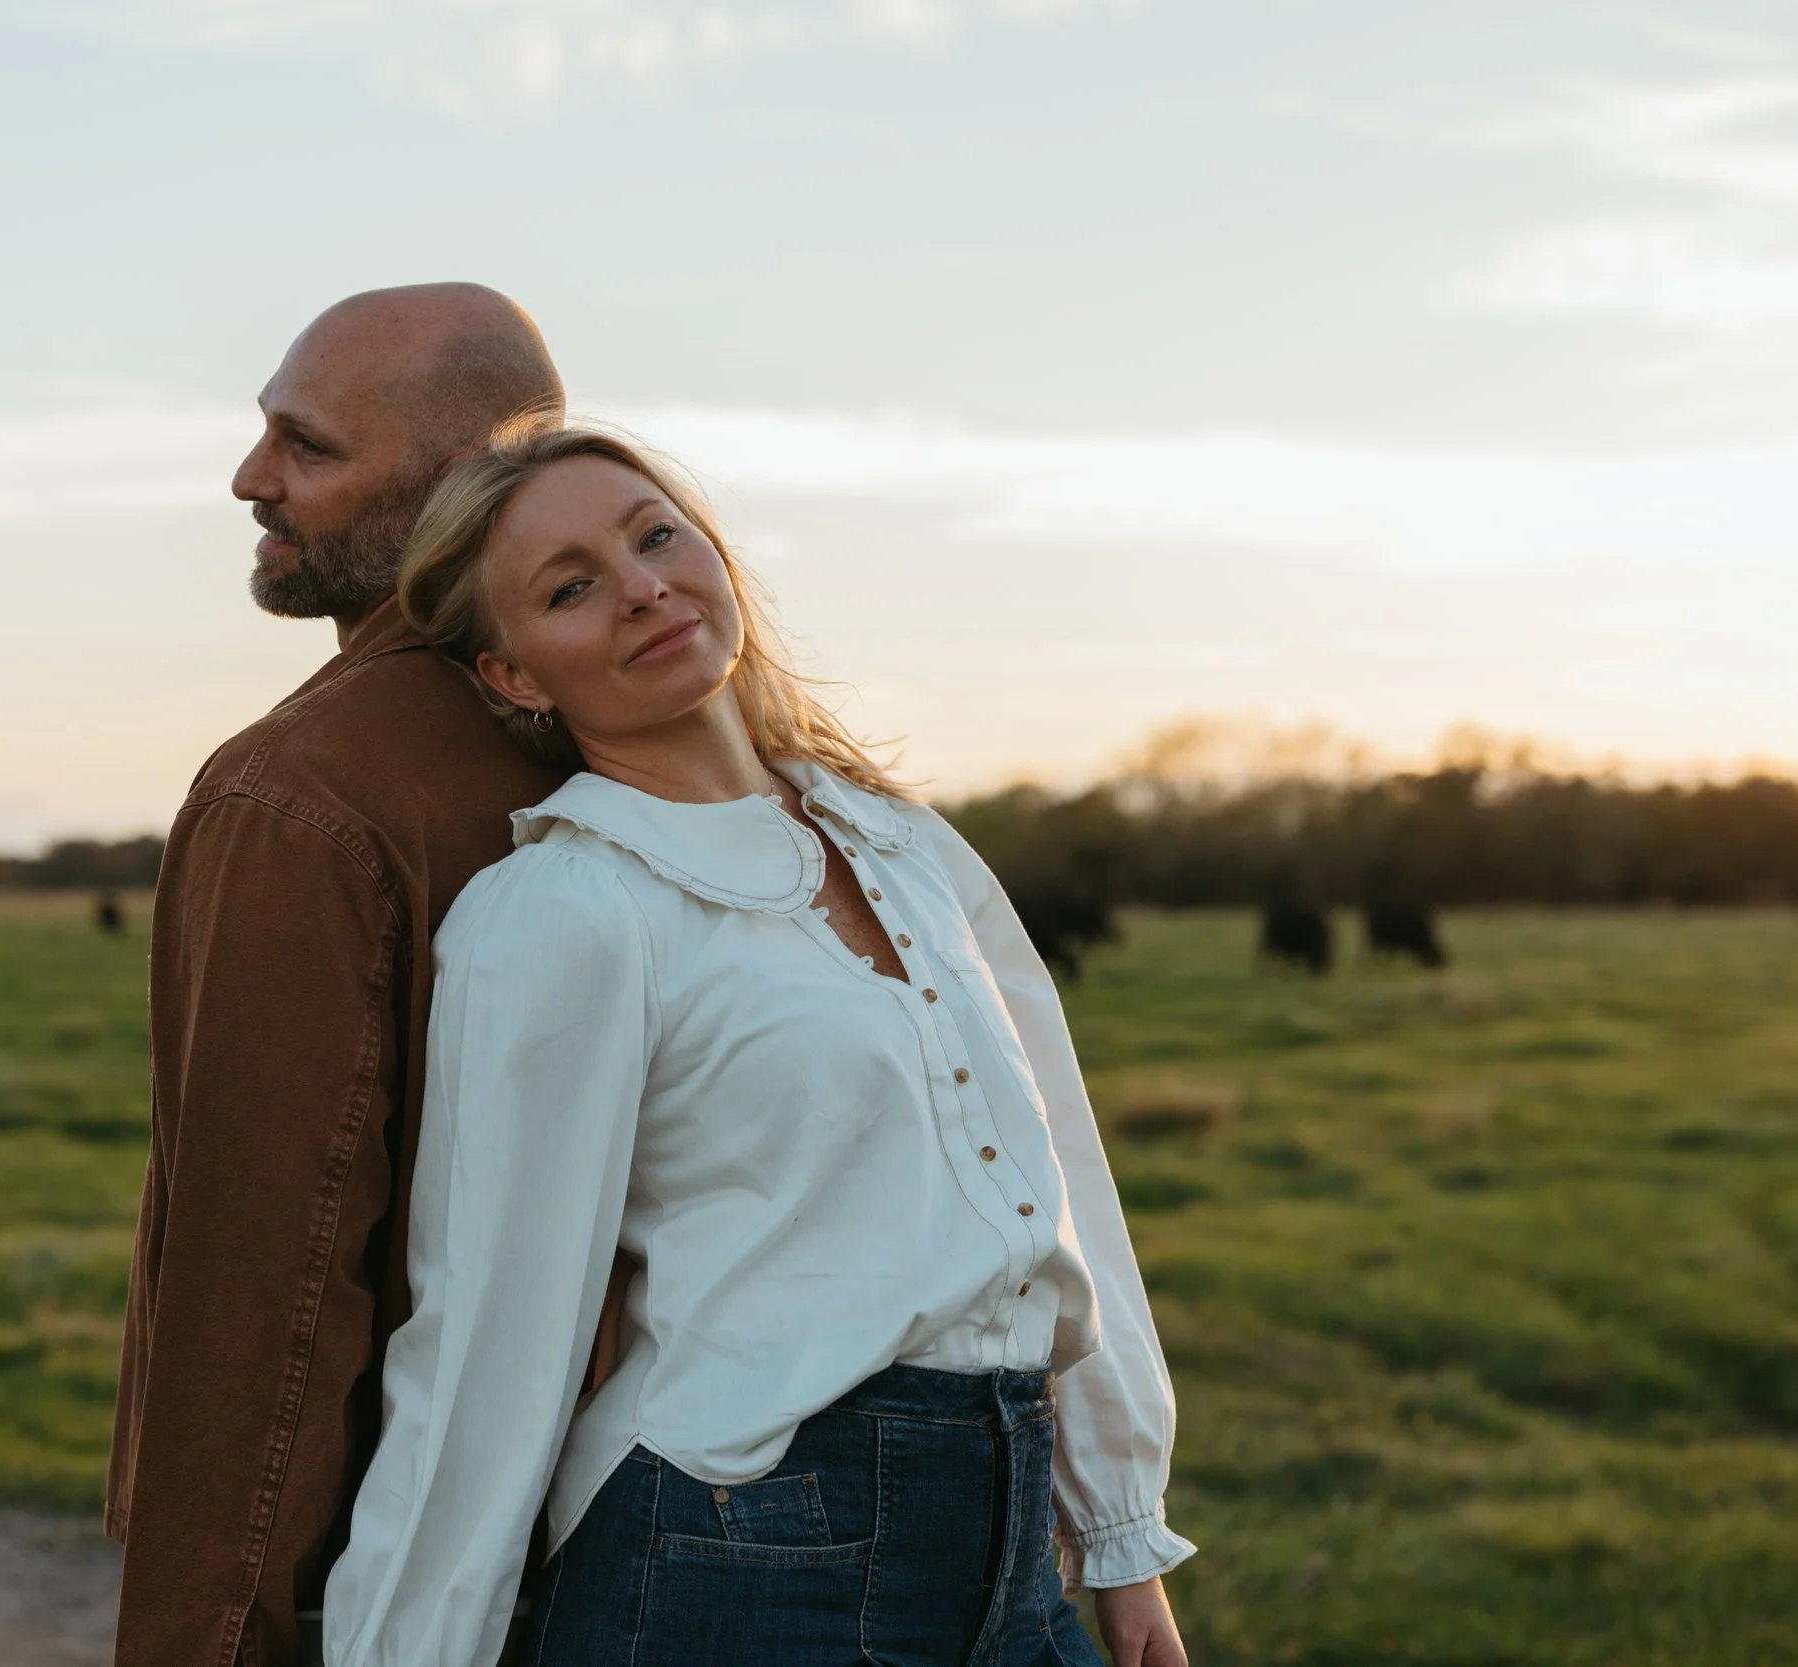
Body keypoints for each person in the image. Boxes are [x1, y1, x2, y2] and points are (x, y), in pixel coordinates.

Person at [322, 423, 1197, 1667]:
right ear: (514, 675)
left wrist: (1118, 1531)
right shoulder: (565, 910)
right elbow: (485, 1342)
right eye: (570, 587)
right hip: (731, 1564)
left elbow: (1060, 1177)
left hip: (1005, 1550)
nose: (640, 587)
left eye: (653, 534)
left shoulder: (907, 844)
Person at [107, 284, 576, 1666]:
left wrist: (206, 1633)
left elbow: (270, 1283)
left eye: (305, 448)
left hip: (376, 1565)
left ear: (460, 487)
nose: (250, 478)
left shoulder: (294, 795)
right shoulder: (637, 743)